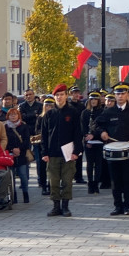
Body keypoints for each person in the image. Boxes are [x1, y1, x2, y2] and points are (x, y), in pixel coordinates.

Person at [93, 82, 129, 216]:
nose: (120, 96)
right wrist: (102, 133)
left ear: (128, 95)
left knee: (128, 179)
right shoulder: (109, 111)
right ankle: (117, 205)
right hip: (113, 152)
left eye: (123, 93)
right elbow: (96, 125)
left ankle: (126, 206)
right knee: (115, 180)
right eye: (117, 94)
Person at [41, 84, 84, 217]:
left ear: (66, 95)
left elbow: (78, 133)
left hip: (68, 153)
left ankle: (65, 207)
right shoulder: (49, 114)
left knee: (67, 181)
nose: (59, 97)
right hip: (52, 154)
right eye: (57, 95)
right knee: (53, 181)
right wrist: (44, 152)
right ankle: (55, 206)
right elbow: (44, 135)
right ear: (54, 97)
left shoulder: (73, 113)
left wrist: (76, 151)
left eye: (62, 94)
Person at [4, 107, 32, 203]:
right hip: (10, 155)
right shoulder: (5, 127)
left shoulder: (24, 126)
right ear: (8, 116)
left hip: (22, 155)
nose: (13, 116)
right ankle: (13, 195)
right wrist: (12, 149)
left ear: (18, 116)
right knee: (11, 177)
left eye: (15, 114)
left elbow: (26, 141)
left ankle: (25, 193)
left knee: (23, 175)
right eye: (11, 115)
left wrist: (19, 149)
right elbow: (4, 141)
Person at [81, 92, 105, 194]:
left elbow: (103, 126)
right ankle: (90, 184)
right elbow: (82, 127)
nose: (93, 101)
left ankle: (96, 184)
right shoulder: (85, 112)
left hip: (99, 140)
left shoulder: (102, 112)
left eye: (95, 99)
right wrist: (87, 138)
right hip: (88, 141)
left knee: (99, 164)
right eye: (92, 99)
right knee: (90, 164)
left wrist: (94, 135)